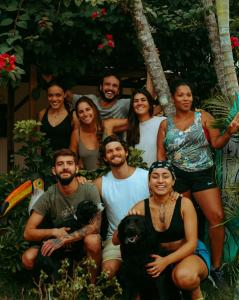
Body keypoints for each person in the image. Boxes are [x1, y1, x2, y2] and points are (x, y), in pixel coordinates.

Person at [157, 79, 239, 286]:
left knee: (217, 217)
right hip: (177, 177)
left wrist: (229, 131)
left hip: (202, 174)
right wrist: (163, 181)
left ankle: (216, 268)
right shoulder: (165, 124)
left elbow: (217, 144)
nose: (186, 98)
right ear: (173, 98)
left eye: (189, 95)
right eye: (181, 95)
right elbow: (160, 157)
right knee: (182, 222)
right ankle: (185, 264)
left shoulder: (202, 117)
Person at [115, 160, 209, 300]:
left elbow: (192, 243)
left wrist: (165, 262)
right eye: (155, 176)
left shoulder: (184, 204)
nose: (160, 181)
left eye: (165, 176)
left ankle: (195, 294)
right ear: (149, 182)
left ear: (173, 181)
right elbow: (116, 240)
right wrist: (128, 222)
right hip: (158, 255)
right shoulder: (141, 207)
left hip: (188, 253)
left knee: (184, 277)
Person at [22, 148, 102, 279]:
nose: (65, 167)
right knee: (28, 258)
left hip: (80, 242)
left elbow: (95, 226)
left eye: (69, 163)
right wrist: (54, 232)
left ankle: (92, 288)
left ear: (77, 169)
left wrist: (64, 239)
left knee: (93, 240)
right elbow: (28, 233)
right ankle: (52, 284)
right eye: (60, 164)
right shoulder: (49, 195)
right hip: (57, 244)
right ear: (54, 170)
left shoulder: (89, 189)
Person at [93, 135, 149, 278]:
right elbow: (85, 196)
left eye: (118, 149)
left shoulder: (146, 177)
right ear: (105, 158)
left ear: (126, 152)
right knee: (107, 273)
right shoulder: (100, 183)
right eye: (110, 151)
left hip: (145, 236)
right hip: (116, 238)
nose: (115, 153)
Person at [67, 71, 156, 121]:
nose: (110, 88)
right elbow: (66, 95)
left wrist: (149, 69)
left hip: (116, 150)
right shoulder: (90, 100)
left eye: (114, 86)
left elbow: (147, 98)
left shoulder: (123, 104)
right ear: (101, 87)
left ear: (118, 91)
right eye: (107, 84)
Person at [127, 88, 166, 167]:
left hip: (158, 174)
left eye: (143, 100)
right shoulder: (131, 127)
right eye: (136, 101)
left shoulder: (162, 122)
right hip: (138, 174)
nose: (139, 103)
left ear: (149, 103)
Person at [39, 81, 78, 151]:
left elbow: (74, 147)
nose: (54, 99)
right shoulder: (42, 114)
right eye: (50, 95)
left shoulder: (73, 115)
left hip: (64, 160)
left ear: (65, 94)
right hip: (44, 160)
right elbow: (37, 140)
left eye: (58, 95)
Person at [70, 96, 103, 171]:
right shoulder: (76, 134)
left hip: (107, 177)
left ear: (94, 110)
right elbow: (71, 161)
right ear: (78, 116)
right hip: (87, 179)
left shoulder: (105, 127)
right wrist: (79, 175)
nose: (85, 114)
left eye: (88, 109)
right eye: (81, 112)